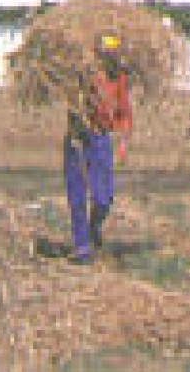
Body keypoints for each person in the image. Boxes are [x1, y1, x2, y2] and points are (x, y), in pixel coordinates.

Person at [65, 34, 132, 265]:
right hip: (78, 138)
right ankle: (81, 246)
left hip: (101, 139)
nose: (110, 57)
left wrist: (123, 143)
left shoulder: (119, 78)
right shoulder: (81, 74)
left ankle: (93, 228)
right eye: (106, 52)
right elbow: (71, 101)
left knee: (104, 197)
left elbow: (124, 112)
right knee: (77, 194)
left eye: (113, 52)